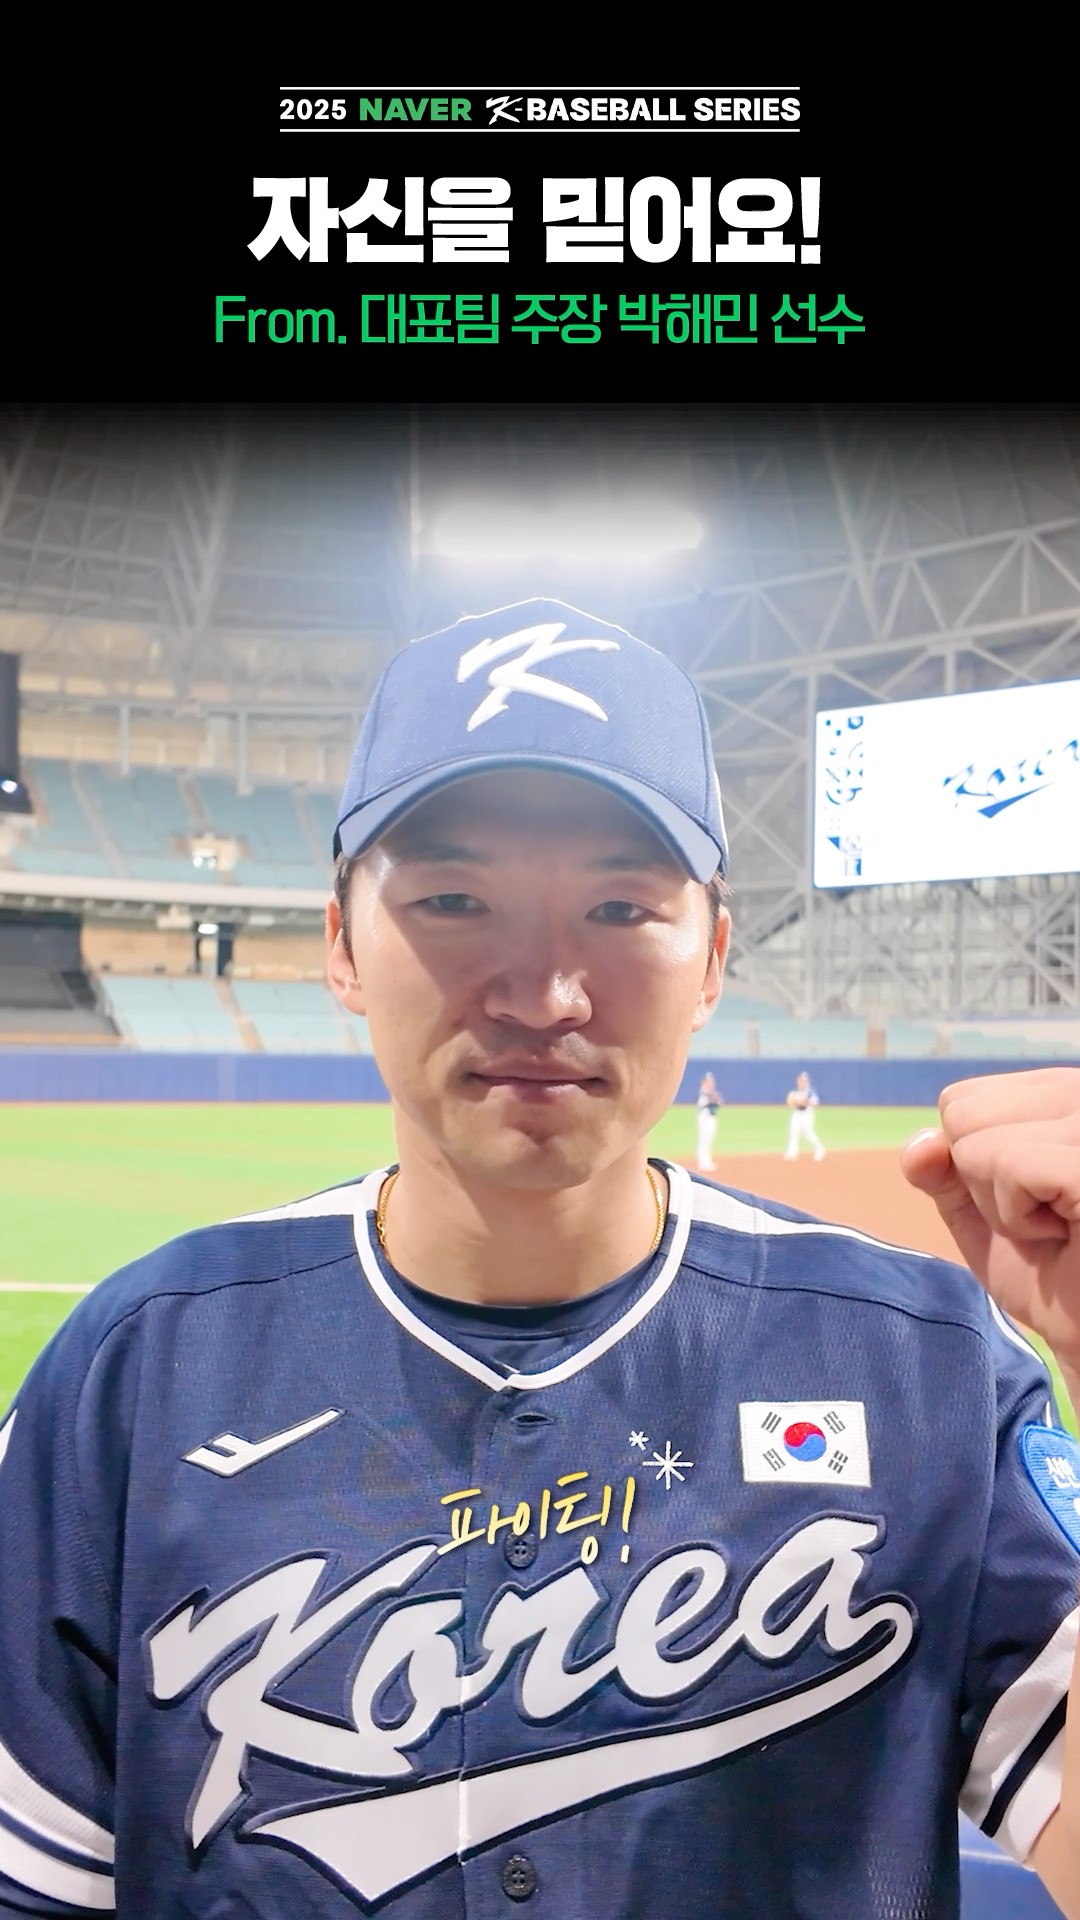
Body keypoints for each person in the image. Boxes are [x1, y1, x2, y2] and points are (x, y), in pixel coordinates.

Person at [1, 596, 1080, 1920]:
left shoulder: (927, 1367)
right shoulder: (135, 1373)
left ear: (713, 959)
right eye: (454, 900)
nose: (544, 993)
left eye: (621, 907)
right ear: (340, 945)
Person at [784, 1068, 826, 1160]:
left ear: (807, 1081)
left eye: (804, 1080)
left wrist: (805, 1102)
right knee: (793, 1132)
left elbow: (816, 1102)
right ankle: (792, 1154)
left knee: (808, 1134)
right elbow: (790, 1102)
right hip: (797, 1113)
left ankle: (819, 1149)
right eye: (801, 1080)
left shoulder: (810, 1091)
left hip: (807, 1113)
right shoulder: (795, 1091)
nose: (802, 1082)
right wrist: (798, 1102)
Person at [696, 1070, 722, 1171]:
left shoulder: (711, 1092)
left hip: (711, 1117)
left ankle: (707, 1161)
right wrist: (714, 1100)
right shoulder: (704, 1092)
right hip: (705, 1117)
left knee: (709, 1140)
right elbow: (704, 1105)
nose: (711, 1083)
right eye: (708, 1081)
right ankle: (703, 1162)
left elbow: (719, 1103)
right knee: (704, 1139)